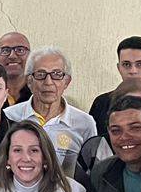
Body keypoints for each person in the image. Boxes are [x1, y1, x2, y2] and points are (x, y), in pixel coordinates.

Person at [5, 47, 97, 179]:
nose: (48, 82)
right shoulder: (9, 117)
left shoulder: (84, 123)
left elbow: (91, 174)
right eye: (41, 74)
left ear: (67, 81)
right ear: (29, 81)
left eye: (57, 74)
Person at [0, 32, 32, 107]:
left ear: (30, 56)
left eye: (20, 50)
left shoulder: (40, 92)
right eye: (5, 50)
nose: (12, 56)